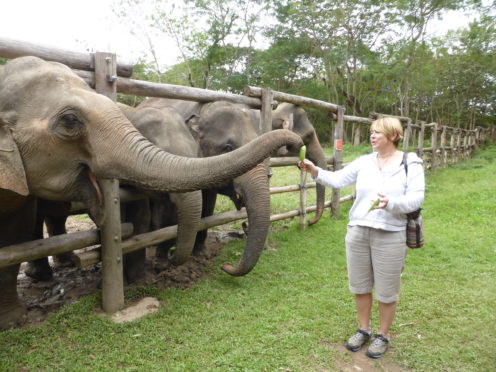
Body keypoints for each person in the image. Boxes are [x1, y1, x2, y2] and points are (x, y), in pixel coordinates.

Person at [299, 117, 424, 359]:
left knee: (387, 291)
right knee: (360, 286)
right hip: (358, 231)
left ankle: (383, 335)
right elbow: (338, 179)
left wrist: (391, 203)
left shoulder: (411, 163)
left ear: (393, 136)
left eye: (378, 132)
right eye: (372, 132)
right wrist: (315, 170)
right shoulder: (365, 162)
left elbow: (416, 198)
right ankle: (363, 329)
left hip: (390, 234)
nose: (372, 136)